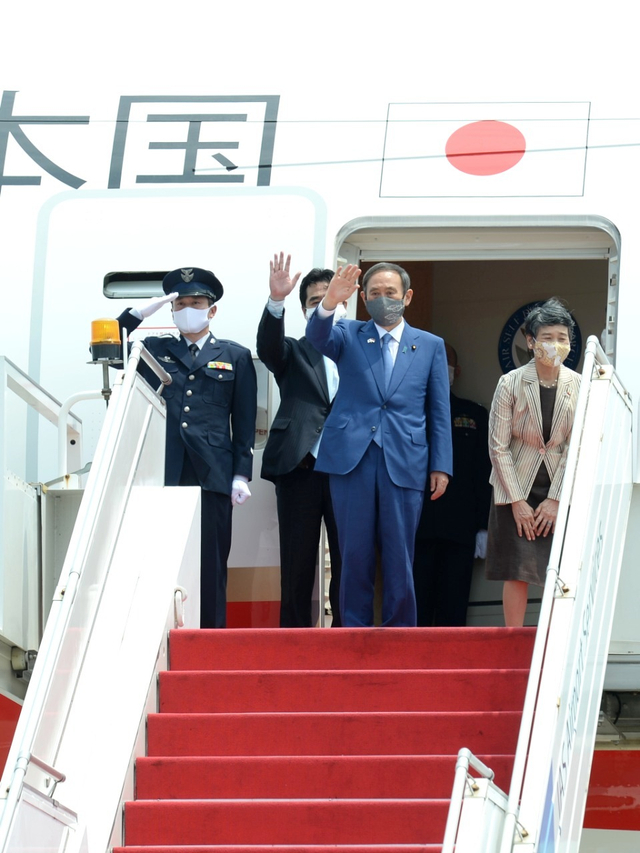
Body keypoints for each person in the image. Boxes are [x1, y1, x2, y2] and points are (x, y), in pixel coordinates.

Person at [306, 262, 452, 627]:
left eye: (390, 293)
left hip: (405, 458)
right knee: (353, 552)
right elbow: (317, 338)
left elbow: (438, 409)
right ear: (363, 297)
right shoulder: (349, 333)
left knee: (400, 553)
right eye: (374, 294)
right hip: (351, 459)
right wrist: (329, 302)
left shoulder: (430, 345)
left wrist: (441, 465)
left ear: (407, 296)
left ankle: (400, 634)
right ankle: (352, 632)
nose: (383, 300)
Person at [117, 267, 257, 629]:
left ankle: (212, 637)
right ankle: (159, 632)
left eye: (196, 303)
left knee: (211, 559)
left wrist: (241, 474)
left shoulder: (235, 355)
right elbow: (111, 346)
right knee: (159, 558)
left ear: (212, 310)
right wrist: (138, 315)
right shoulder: (153, 349)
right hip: (163, 468)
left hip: (212, 471)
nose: (187, 309)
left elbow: (242, 424)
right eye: (180, 304)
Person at [257, 253, 344, 627]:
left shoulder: (361, 348)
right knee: (296, 562)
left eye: (330, 297)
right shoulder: (293, 350)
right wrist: (276, 301)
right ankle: (292, 642)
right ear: (305, 310)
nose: (323, 305)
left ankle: (346, 635)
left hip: (348, 469)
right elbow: (268, 348)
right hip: (299, 466)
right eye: (313, 301)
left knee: (349, 560)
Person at [484, 297, 580, 627]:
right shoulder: (510, 382)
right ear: (530, 341)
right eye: (548, 338)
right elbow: (498, 446)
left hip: (558, 487)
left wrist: (556, 499)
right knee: (518, 571)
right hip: (516, 487)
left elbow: (576, 447)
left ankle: (552, 639)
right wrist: (517, 501)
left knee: (561, 568)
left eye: (563, 338)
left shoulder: (580, 386)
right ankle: (513, 637)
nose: (556, 345)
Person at [413, 344, 492, 626]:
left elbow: (484, 472)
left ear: (455, 371)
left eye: (444, 362)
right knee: (415, 611)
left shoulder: (474, 415)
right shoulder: (408, 413)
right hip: (416, 528)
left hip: (460, 529)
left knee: (453, 611)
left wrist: (483, 526)